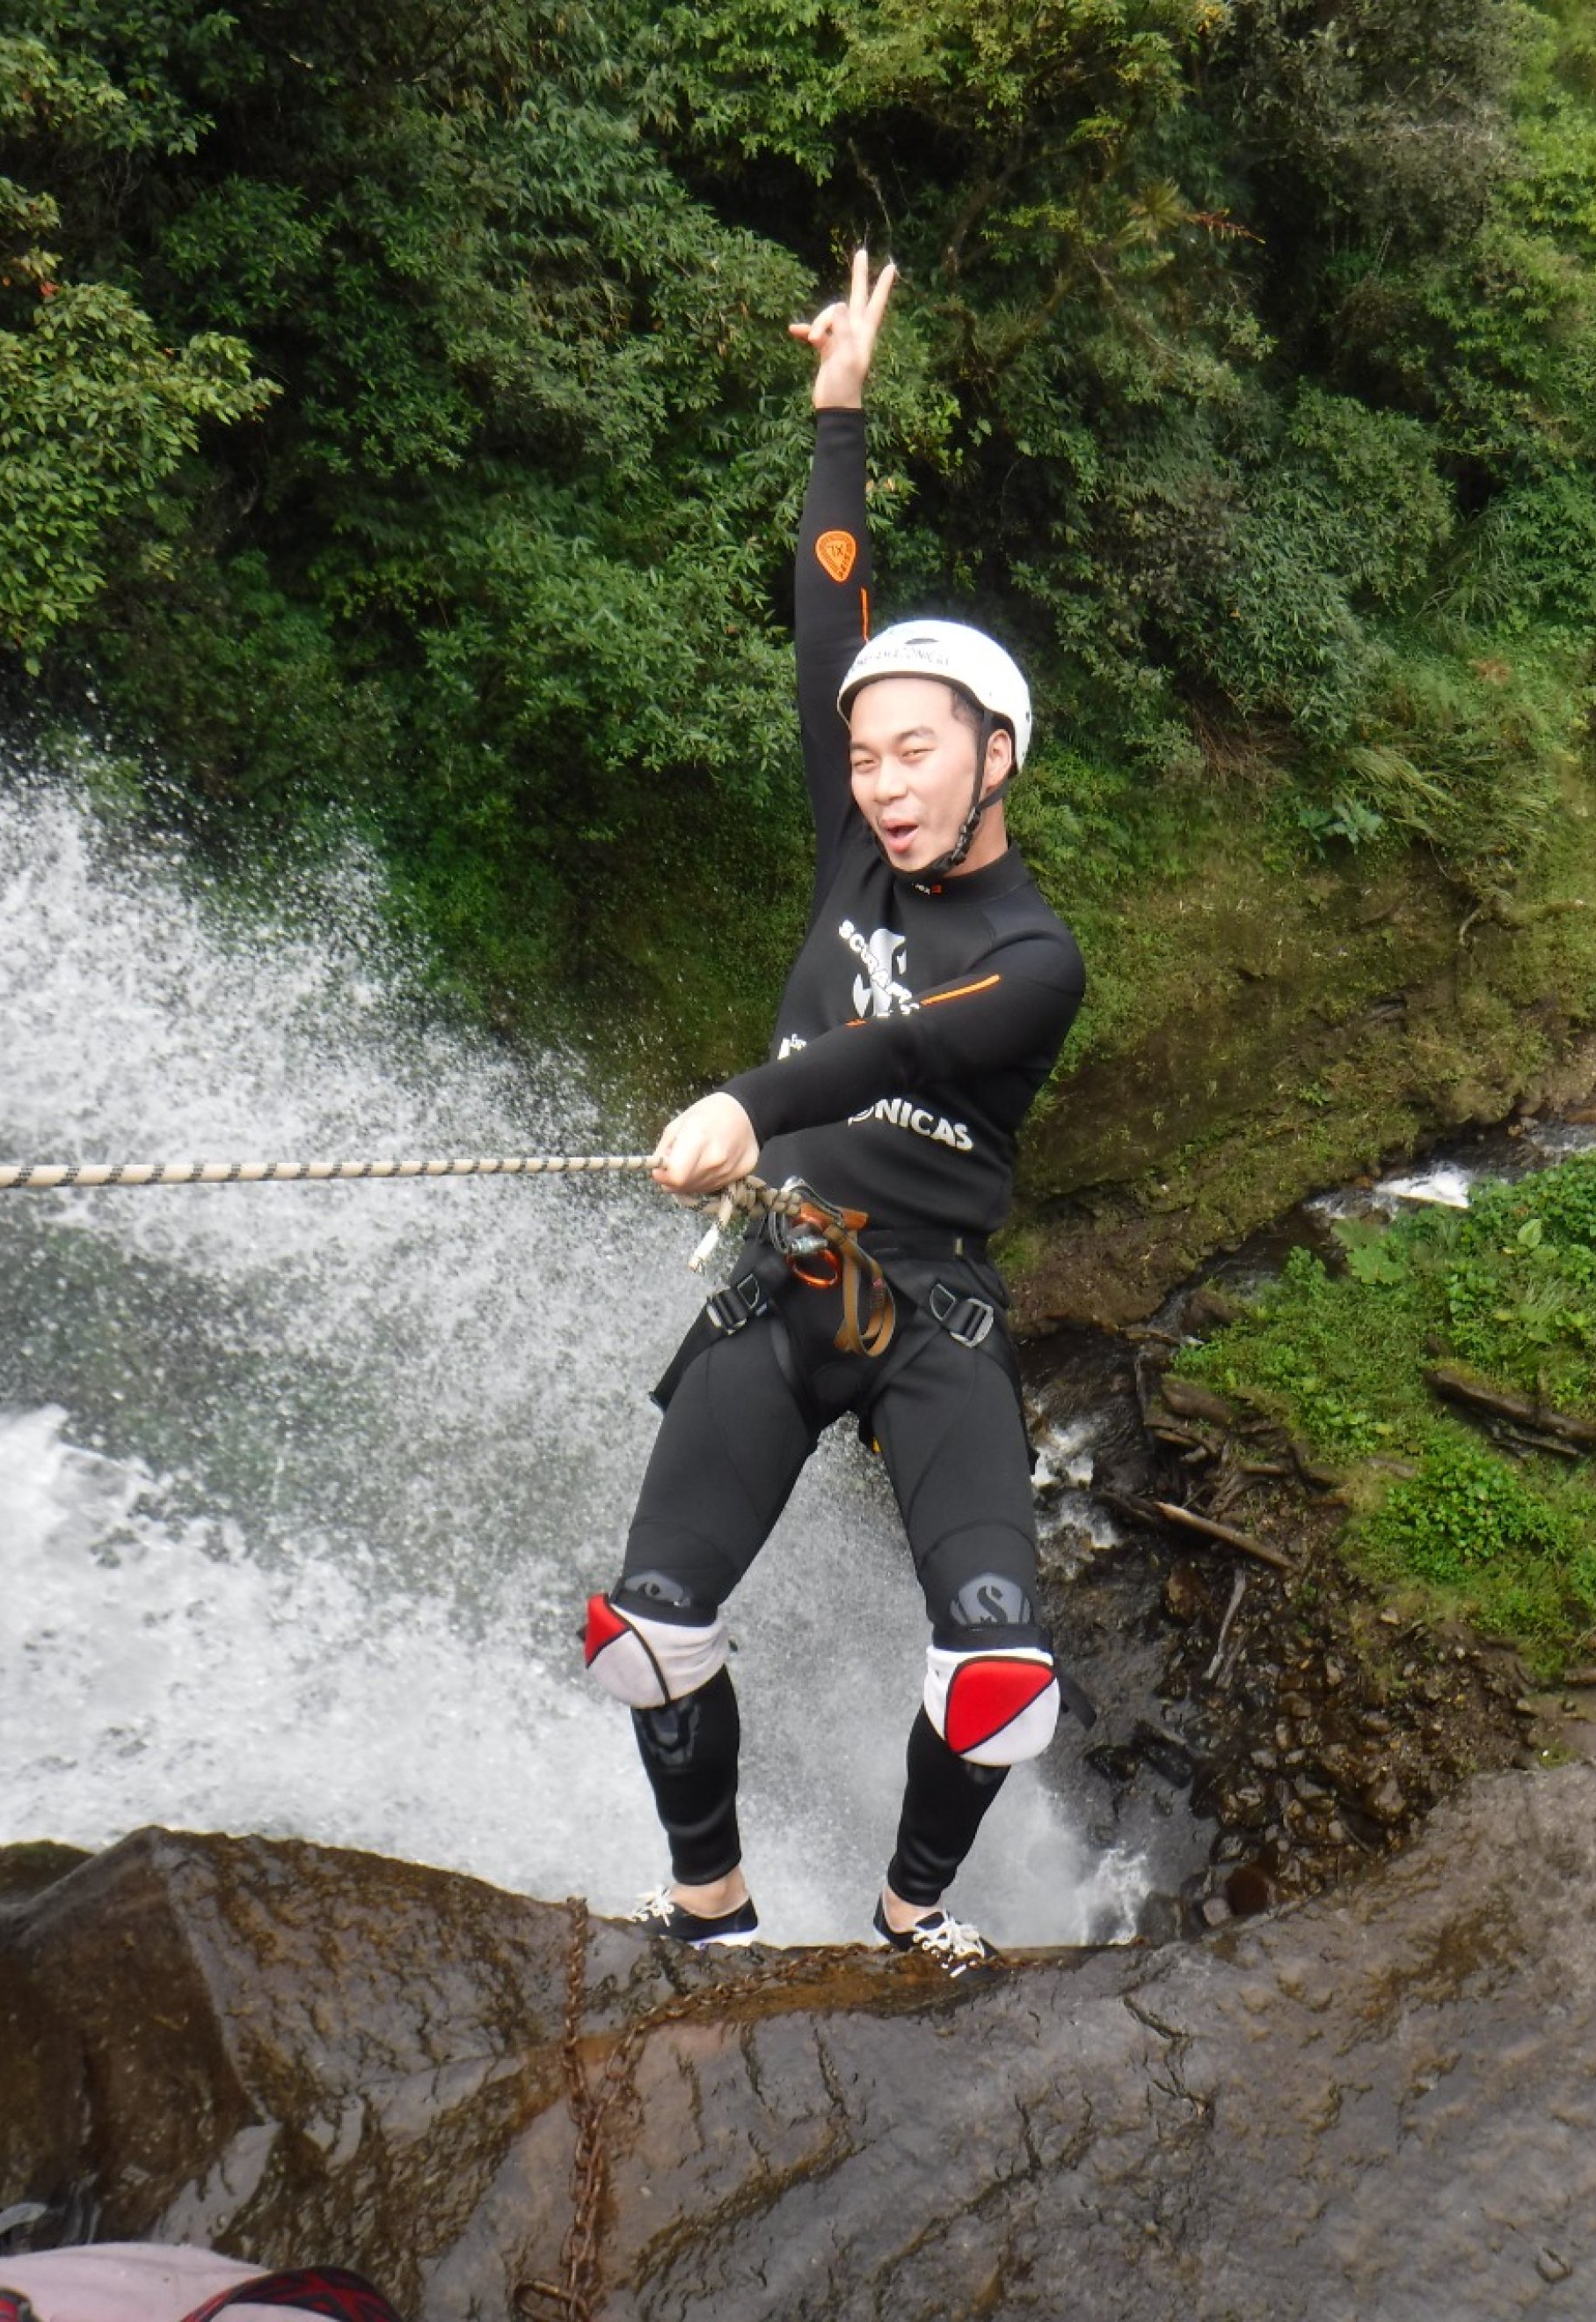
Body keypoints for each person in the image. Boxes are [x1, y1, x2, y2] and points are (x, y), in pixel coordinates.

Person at [583, 252, 1086, 1974]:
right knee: (642, 1632)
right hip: (783, 1279)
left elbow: (885, 1059)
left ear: (995, 756)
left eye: (916, 754)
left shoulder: (1031, 957)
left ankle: (911, 1907)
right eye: (862, 760)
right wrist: (838, 409)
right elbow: (828, 607)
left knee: (1003, 1664)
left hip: (932, 1307)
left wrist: (743, 1096)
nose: (879, 781)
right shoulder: (853, 840)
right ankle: (710, 1910)